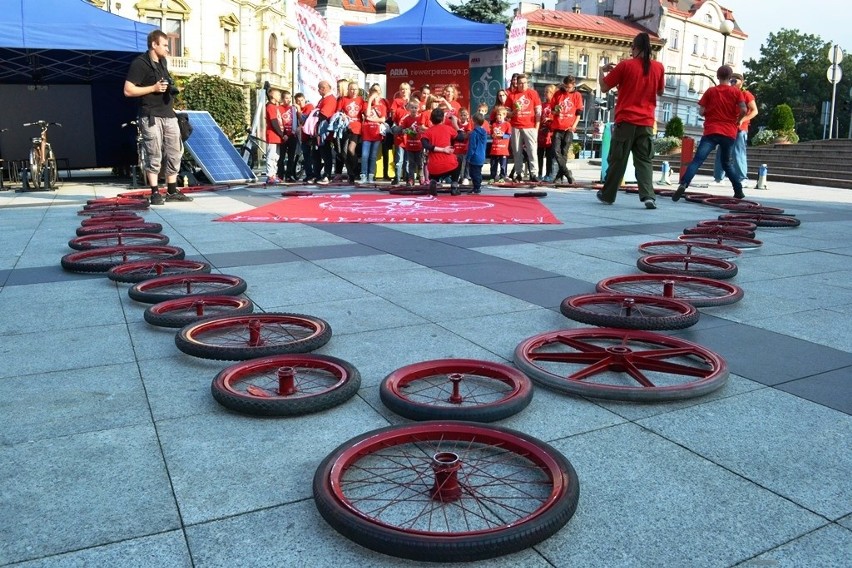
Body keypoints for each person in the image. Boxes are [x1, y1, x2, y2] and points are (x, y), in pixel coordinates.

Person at [596, 32, 665, 209]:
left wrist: (601, 71)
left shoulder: (625, 66)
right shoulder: (658, 67)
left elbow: (604, 88)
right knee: (644, 161)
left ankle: (608, 195)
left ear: (635, 48)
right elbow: (660, 92)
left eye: (631, 48)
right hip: (647, 122)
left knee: (618, 159)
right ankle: (648, 196)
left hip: (626, 120)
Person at [123, 29, 192, 204]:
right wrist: (153, 88)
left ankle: (172, 190)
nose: (168, 49)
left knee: (174, 152)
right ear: (154, 45)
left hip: (168, 114)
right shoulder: (140, 63)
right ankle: (154, 192)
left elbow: (163, 84)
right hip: (150, 115)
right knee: (154, 153)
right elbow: (128, 90)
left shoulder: (163, 62)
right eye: (165, 45)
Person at [672, 65, 747, 202]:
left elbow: (701, 111)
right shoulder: (736, 92)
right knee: (726, 163)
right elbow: (744, 109)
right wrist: (738, 120)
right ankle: (738, 190)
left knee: (697, 160)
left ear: (717, 76)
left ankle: (684, 183)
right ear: (730, 78)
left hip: (711, 131)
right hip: (728, 132)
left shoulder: (711, 91)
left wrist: (709, 112)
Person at [713, 72, 757, 185]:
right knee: (721, 152)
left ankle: (742, 178)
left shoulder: (745, 94)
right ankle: (718, 178)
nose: (732, 83)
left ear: (741, 82)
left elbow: (755, 110)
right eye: (730, 81)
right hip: (727, 128)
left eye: (734, 81)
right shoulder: (729, 94)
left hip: (740, 128)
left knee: (738, 152)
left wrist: (743, 119)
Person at [420, 107, 464, 195]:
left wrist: (439, 149)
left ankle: (434, 181)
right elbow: (461, 138)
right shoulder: (448, 129)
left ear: (431, 120)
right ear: (443, 119)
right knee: (459, 159)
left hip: (434, 168)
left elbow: (425, 145)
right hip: (450, 165)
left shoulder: (427, 132)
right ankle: (454, 184)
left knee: (431, 165)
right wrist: (456, 125)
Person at [506, 73, 541, 181]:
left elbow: (538, 111)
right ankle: (518, 174)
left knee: (532, 151)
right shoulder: (512, 95)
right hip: (516, 126)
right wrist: (514, 112)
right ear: (517, 84)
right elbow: (507, 113)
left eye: (524, 83)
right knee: (517, 152)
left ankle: (534, 174)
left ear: (527, 83)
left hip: (530, 127)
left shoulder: (533, 93)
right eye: (520, 83)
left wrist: (537, 128)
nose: (522, 85)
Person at [549, 75, 584, 184]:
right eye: (565, 86)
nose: (567, 89)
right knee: (555, 151)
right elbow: (552, 111)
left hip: (569, 128)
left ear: (573, 85)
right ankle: (568, 173)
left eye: (569, 87)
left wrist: (574, 125)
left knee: (564, 153)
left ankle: (559, 177)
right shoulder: (558, 93)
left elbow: (578, 113)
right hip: (558, 126)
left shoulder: (577, 95)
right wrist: (556, 111)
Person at [359, 85, 388, 184]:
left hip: (376, 133)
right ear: (370, 91)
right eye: (374, 90)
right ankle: (363, 175)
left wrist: (372, 119)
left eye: (378, 91)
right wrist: (370, 100)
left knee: (373, 156)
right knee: (364, 155)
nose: (376, 92)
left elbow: (383, 119)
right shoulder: (366, 104)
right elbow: (367, 114)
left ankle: (371, 175)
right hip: (367, 133)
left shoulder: (382, 106)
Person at [313, 80, 338, 184]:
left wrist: (314, 115)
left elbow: (324, 115)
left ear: (324, 88)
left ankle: (327, 175)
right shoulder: (322, 100)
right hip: (318, 131)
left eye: (320, 88)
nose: (318, 90)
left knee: (325, 154)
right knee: (316, 154)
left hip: (324, 132)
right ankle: (317, 175)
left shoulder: (330, 99)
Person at [339, 81, 365, 183]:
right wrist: (342, 115)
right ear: (348, 90)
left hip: (357, 129)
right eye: (351, 89)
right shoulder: (343, 99)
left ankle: (354, 171)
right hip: (345, 128)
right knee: (343, 152)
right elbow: (338, 111)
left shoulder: (360, 100)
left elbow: (365, 113)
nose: (353, 91)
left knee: (351, 149)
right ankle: (351, 173)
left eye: (355, 89)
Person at [390, 83, 412, 184]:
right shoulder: (396, 102)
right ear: (399, 91)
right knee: (399, 160)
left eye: (406, 89)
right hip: (399, 138)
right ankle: (397, 178)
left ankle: (408, 178)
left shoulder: (413, 104)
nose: (404, 91)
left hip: (410, 138)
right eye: (402, 89)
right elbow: (393, 117)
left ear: (410, 91)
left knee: (408, 161)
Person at [263, 87, 284, 184]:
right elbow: (274, 121)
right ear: (272, 95)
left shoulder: (275, 107)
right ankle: (270, 175)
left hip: (277, 137)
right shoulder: (270, 107)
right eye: (278, 94)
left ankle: (274, 174)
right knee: (271, 156)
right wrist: (281, 134)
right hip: (272, 135)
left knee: (276, 156)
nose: (280, 96)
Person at [276, 90, 298, 182]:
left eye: (289, 98)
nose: (288, 100)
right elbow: (278, 121)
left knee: (291, 157)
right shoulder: (279, 108)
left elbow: (295, 121)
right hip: (283, 135)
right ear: (282, 99)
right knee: (281, 157)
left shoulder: (293, 109)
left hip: (292, 135)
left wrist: (293, 133)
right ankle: (280, 175)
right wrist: (283, 134)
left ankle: (289, 174)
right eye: (286, 98)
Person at [537, 84, 556, 182]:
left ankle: (548, 174)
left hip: (550, 133)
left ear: (553, 93)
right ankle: (539, 173)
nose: (545, 94)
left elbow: (557, 118)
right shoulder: (542, 105)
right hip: (541, 133)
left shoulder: (554, 105)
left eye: (547, 92)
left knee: (549, 156)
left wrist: (549, 119)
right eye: (544, 92)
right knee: (539, 154)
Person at [294, 92, 315, 183]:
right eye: (298, 101)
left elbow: (303, 120)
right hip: (302, 136)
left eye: (301, 100)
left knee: (310, 156)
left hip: (309, 135)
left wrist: (298, 110)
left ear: (304, 99)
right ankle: (308, 174)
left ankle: (311, 174)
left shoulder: (309, 106)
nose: (300, 103)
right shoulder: (295, 109)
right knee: (306, 156)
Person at [465, 113, 489, 194]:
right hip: (482, 155)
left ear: (474, 121)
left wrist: (468, 157)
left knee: (473, 173)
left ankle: (477, 187)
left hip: (475, 156)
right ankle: (477, 186)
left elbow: (472, 147)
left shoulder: (474, 133)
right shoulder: (484, 133)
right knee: (478, 171)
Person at [489, 106, 512, 182]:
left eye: (500, 115)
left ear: (504, 115)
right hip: (495, 149)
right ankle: (492, 177)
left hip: (503, 149)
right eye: (497, 115)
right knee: (493, 164)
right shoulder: (494, 125)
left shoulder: (507, 124)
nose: (499, 116)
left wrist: (502, 136)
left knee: (503, 165)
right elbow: (492, 134)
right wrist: (492, 135)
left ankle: (502, 177)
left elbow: (509, 135)